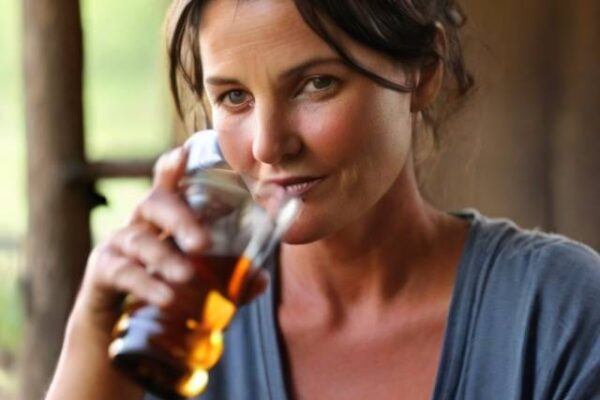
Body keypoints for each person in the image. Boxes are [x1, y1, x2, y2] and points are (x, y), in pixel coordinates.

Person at [45, 0, 600, 399]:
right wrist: (90, 345)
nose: (268, 144)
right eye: (234, 96)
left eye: (316, 84)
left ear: (423, 71)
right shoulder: (175, 324)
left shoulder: (558, 313)